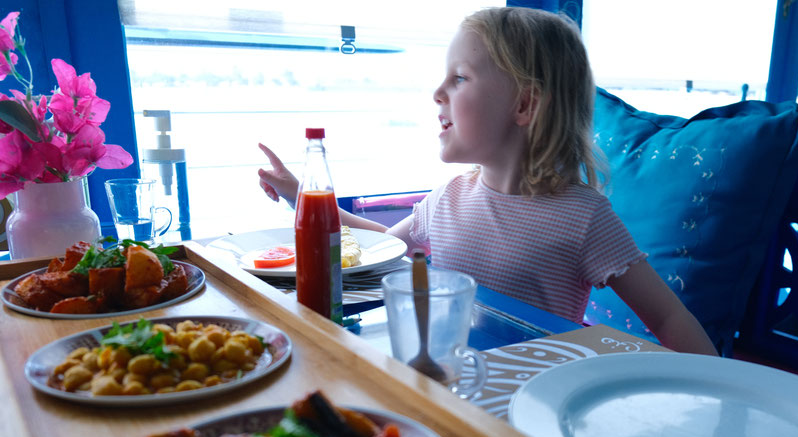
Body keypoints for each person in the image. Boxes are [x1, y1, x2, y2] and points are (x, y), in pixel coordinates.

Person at [258, 7, 717, 356]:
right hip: (450, 380)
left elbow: (667, 314)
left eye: (459, 78)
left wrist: (716, 395)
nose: (437, 93)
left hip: (533, 400)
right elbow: (381, 249)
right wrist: (303, 197)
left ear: (524, 107)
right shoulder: (449, 199)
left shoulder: (584, 217)